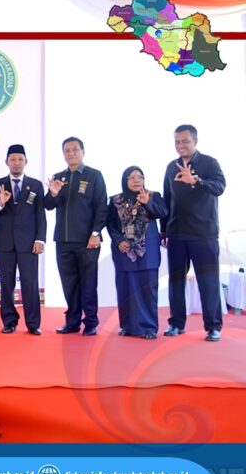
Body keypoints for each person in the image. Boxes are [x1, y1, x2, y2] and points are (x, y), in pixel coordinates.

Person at [161, 124, 226, 341]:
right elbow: (167, 199)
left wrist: (196, 181)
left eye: (185, 141)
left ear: (195, 141)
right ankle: (176, 324)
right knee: (176, 283)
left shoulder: (209, 163)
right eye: (177, 142)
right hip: (177, 233)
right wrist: (163, 229)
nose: (180, 145)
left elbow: (219, 187)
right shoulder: (171, 167)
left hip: (203, 233)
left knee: (208, 282)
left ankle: (213, 326)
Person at [44, 136, 107, 336]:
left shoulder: (94, 175)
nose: (71, 153)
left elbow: (101, 207)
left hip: (87, 241)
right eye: (67, 150)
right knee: (69, 284)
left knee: (88, 283)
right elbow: (48, 205)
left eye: (75, 150)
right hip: (63, 240)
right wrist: (53, 193)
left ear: (83, 152)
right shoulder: (58, 177)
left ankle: (91, 322)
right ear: (63, 154)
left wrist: (95, 233)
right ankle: (72, 322)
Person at [0, 144, 46, 335]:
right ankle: (9, 322)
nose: (16, 163)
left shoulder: (35, 185)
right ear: (6, 162)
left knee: (30, 284)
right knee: (6, 284)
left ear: (26, 162)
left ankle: (33, 323)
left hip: (29, 244)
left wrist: (40, 239)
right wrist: (0, 203)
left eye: (20, 159)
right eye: (13, 159)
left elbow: (40, 215)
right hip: (5, 243)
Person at [107, 166, 168, 339]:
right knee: (126, 288)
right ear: (125, 180)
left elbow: (163, 213)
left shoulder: (153, 196)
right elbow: (110, 224)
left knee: (147, 289)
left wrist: (148, 202)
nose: (136, 180)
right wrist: (119, 241)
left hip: (147, 252)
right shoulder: (115, 200)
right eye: (132, 177)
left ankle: (149, 328)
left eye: (140, 177)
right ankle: (128, 326)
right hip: (124, 251)